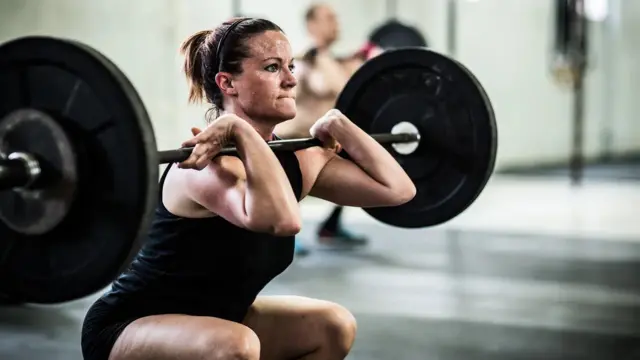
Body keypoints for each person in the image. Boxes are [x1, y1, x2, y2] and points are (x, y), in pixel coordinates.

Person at [81, 17, 415, 360]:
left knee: (333, 326)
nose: (290, 79)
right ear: (227, 83)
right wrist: (238, 131)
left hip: (220, 319)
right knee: (236, 346)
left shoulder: (299, 157)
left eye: (291, 66)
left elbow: (397, 190)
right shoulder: (205, 167)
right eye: (272, 67)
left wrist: (339, 123)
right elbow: (283, 221)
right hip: (131, 327)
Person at [275, 3, 383, 254]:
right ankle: (285, 236)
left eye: (336, 18)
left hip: (322, 141)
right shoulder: (301, 59)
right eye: (329, 18)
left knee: (360, 164)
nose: (336, 23)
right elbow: (332, 86)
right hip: (292, 141)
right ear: (312, 25)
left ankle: (331, 226)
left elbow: (351, 86)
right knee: (290, 179)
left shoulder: (333, 58)